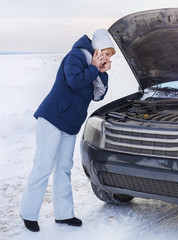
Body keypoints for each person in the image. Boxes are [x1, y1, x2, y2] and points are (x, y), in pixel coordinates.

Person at [20, 28, 115, 232]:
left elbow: (98, 95)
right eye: (106, 53)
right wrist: (94, 68)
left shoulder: (94, 68)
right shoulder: (76, 55)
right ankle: (28, 214)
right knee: (43, 166)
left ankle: (64, 214)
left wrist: (102, 73)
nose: (107, 58)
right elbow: (74, 80)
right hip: (53, 118)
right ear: (97, 48)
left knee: (64, 168)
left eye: (109, 55)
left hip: (70, 123)